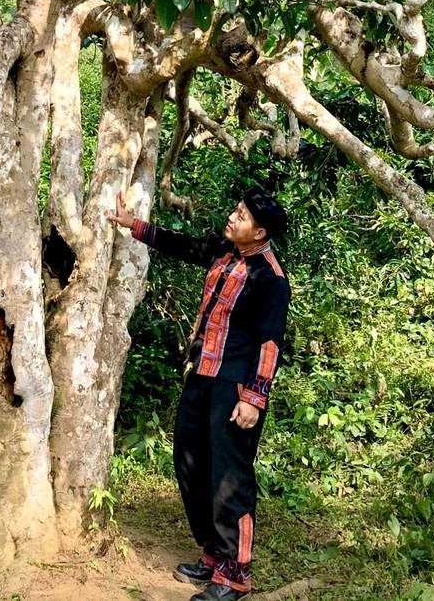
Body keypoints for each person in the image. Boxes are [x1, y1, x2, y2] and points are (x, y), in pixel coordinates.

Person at [108, 186, 290, 601]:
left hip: (235, 386)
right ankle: (212, 554)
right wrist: (132, 225)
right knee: (190, 463)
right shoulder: (222, 251)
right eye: (236, 210)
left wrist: (254, 398)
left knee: (230, 475)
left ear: (260, 233)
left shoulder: (271, 279)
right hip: (202, 376)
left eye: (241, 216)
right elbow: (181, 244)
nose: (232, 217)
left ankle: (235, 574)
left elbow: (270, 342)